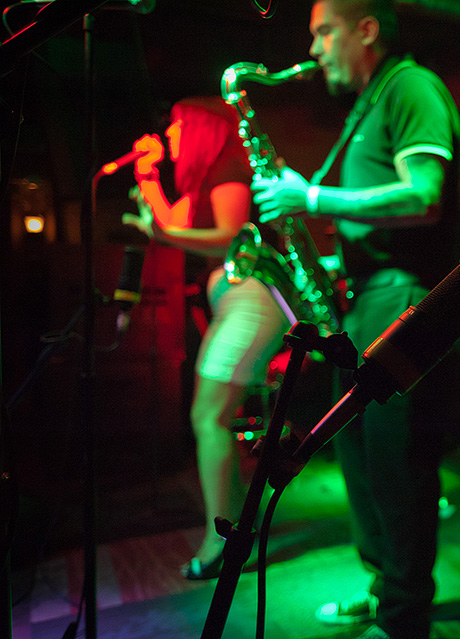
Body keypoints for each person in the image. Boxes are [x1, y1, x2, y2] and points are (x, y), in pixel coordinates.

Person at [251, 1, 460, 637]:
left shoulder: (410, 86)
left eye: (324, 32)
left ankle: (404, 614)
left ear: (365, 29)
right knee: (360, 452)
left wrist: (312, 196)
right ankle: (384, 585)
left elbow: (423, 194)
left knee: (396, 459)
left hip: (401, 294)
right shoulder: (369, 104)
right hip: (366, 296)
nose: (314, 49)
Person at [124, 97, 289, 580]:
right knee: (211, 416)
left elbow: (229, 235)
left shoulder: (228, 165)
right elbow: (171, 225)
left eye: (175, 127)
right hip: (235, 302)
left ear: (199, 128)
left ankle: (222, 541)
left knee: (208, 415)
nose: (169, 136)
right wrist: (149, 178)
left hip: (250, 299)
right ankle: (235, 533)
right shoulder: (203, 179)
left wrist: (165, 232)